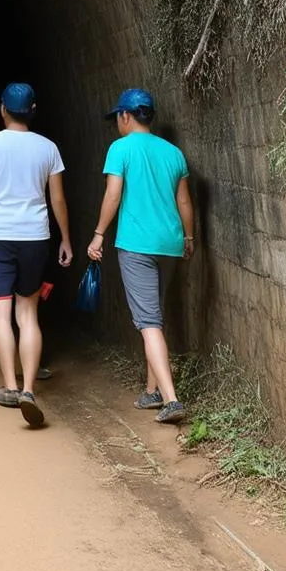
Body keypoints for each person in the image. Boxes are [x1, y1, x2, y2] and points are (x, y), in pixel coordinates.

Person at [0, 83, 73, 428]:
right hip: (35, 237)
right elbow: (58, 200)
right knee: (28, 314)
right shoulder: (48, 148)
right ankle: (29, 390)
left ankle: (9, 385)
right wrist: (66, 238)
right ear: (32, 110)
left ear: (3, 109)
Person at [87, 88, 194, 424]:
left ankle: (171, 398)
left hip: (136, 245)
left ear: (125, 116)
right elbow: (185, 202)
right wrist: (189, 237)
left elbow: (113, 195)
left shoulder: (120, 149)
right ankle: (151, 391)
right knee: (155, 317)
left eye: (117, 117)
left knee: (148, 323)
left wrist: (99, 233)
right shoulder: (174, 153)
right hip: (170, 244)